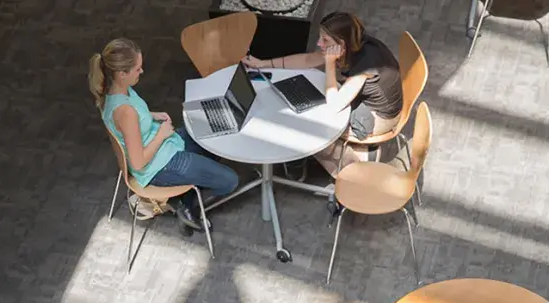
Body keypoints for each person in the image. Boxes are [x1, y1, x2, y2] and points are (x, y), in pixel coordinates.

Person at [88, 38, 239, 231]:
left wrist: (150, 116)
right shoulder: (125, 112)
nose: (141, 72)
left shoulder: (114, 92)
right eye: (137, 69)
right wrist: (161, 134)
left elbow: (128, 123)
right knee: (230, 180)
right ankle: (185, 203)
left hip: (166, 145)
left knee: (213, 136)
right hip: (161, 165)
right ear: (121, 74)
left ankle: (186, 194)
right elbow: (138, 163)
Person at [244, 12, 403, 178]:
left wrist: (329, 63)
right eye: (320, 38)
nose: (319, 43)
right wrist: (263, 64)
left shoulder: (366, 66)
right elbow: (309, 60)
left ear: (341, 43)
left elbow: (334, 105)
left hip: (378, 118)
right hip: (364, 101)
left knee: (308, 126)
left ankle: (351, 162)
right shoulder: (354, 41)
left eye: (325, 40)